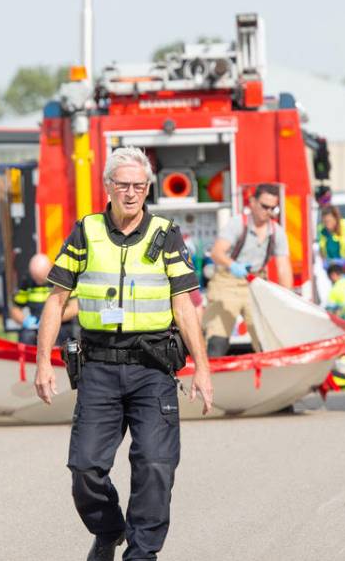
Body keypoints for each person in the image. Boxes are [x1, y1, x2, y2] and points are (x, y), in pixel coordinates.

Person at [33, 146, 213, 561]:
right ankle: (109, 529)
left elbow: (184, 305)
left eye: (138, 186)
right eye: (123, 185)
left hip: (153, 368)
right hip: (99, 367)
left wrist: (203, 369)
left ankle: (141, 553)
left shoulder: (165, 234)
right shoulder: (87, 231)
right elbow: (57, 300)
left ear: (148, 189)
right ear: (108, 187)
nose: (131, 193)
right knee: (85, 469)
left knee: (156, 466)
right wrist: (43, 362)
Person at [202, 183, 293, 356]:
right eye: (264, 206)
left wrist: (286, 297)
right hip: (228, 283)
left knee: (266, 339)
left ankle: (270, 371)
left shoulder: (277, 232)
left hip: (256, 283)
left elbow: (283, 267)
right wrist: (232, 265)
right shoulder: (238, 224)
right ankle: (211, 372)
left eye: (273, 208)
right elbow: (217, 252)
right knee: (217, 340)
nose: (268, 211)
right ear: (252, 202)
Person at [9, 253, 77, 345]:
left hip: (60, 324)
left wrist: (50, 319)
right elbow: (15, 309)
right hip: (36, 325)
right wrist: (25, 321)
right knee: (26, 336)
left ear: (49, 270)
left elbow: (74, 308)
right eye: (35, 278)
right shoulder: (27, 281)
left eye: (40, 279)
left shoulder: (62, 279)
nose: (37, 282)